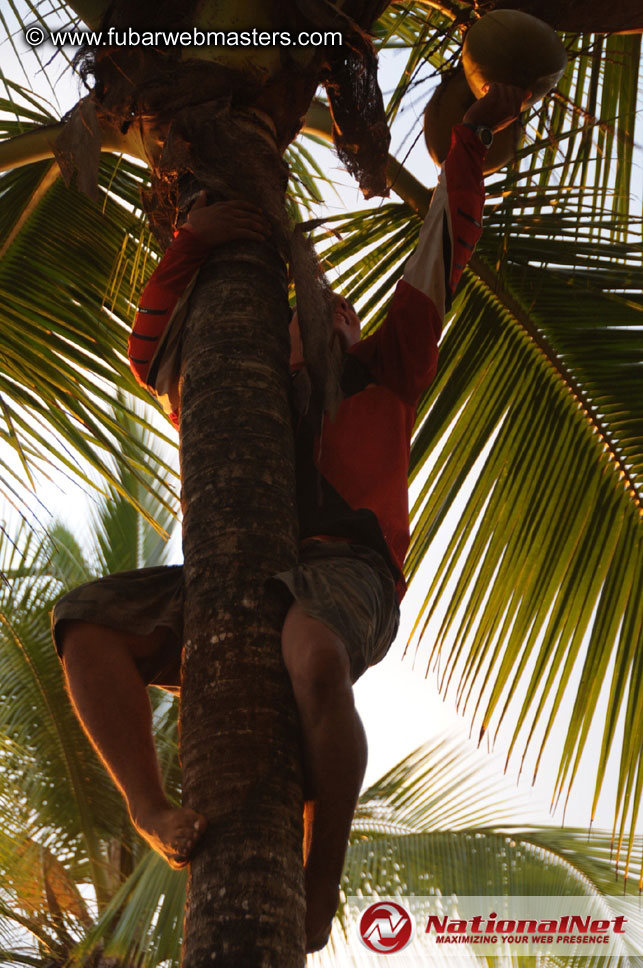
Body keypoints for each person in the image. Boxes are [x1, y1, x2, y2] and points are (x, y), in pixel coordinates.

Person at [51, 83, 525, 952]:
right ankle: (148, 806)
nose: (321, 317)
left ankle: (320, 875)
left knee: (312, 656)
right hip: (237, 574)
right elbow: (150, 352)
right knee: (85, 623)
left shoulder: (384, 371)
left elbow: (441, 250)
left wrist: (466, 145)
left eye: (333, 308)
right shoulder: (229, 389)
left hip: (348, 570)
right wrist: (193, 241)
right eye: (301, 314)